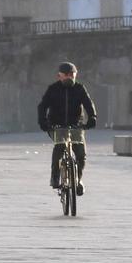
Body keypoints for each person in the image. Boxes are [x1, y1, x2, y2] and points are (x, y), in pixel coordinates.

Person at [37, 62, 97, 195]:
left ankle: (77, 179)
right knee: (59, 146)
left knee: (81, 153)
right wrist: (43, 122)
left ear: (75, 75)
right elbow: (42, 106)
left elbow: (88, 104)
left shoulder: (80, 88)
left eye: (72, 74)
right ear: (59, 76)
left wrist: (92, 118)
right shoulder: (53, 89)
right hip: (56, 125)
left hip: (76, 125)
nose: (69, 77)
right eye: (66, 75)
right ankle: (55, 176)